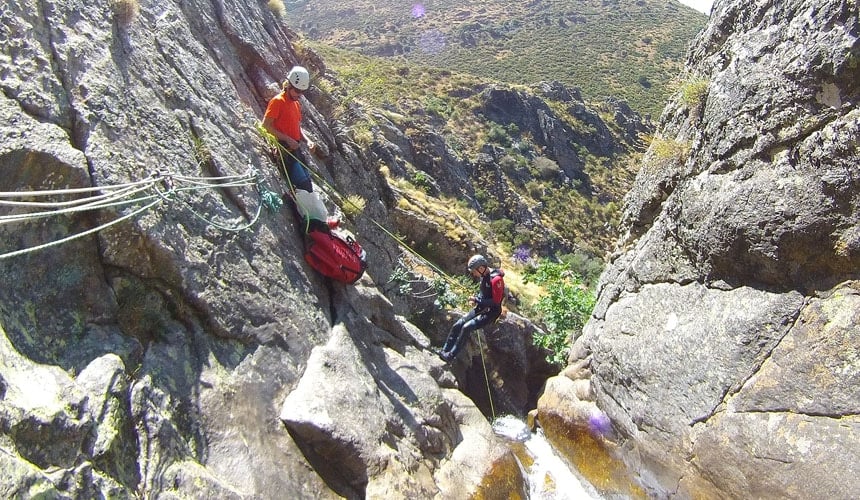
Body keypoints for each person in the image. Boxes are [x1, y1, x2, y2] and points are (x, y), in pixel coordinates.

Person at [439, 254, 505, 363]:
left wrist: (477, 300)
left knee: (467, 327)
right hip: (481, 307)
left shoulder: (496, 279)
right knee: (458, 324)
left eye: (474, 271)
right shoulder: (484, 276)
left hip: (491, 312)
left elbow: (495, 301)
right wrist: (477, 298)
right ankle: (444, 350)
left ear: (481, 268)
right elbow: (483, 292)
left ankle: (450, 355)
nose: (473, 273)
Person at [262, 65, 316, 193]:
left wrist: (307, 140)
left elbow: (297, 126)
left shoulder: (296, 103)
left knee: (307, 183)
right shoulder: (277, 101)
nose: (300, 95)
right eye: (297, 91)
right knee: (303, 186)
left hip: (295, 149)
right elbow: (266, 125)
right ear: (289, 86)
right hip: (284, 150)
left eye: (302, 92)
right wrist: (287, 139)